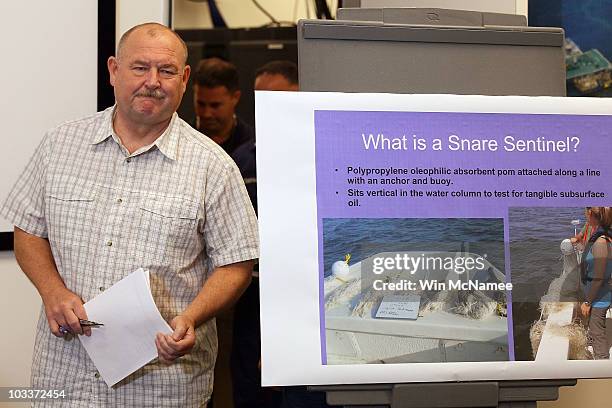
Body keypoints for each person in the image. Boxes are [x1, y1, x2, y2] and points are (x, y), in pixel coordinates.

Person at [0, 23, 258, 406]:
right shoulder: (60, 145)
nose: (152, 81)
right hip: (62, 379)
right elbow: (28, 229)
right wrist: (52, 291)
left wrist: (193, 316)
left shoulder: (213, 166)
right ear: (113, 70)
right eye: (139, 67)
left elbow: (237, 263)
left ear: (184, 79)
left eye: (166, 71)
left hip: (161, 386)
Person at [193, 57, 254, 154]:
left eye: (215, 105)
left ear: (235, 97)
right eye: (201, 104)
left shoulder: (252, 146)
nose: (206, 114)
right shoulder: (179, 140)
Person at [579, 206, 612, 359]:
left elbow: (599, 278)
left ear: (590, 213)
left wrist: (588, 302)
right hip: (597, 294)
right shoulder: (603, 236)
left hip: (598, 298)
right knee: (594, 329)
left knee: (598, 334)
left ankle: (602, 367)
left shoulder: (600, 242)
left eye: (586, 212)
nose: (585, 215)